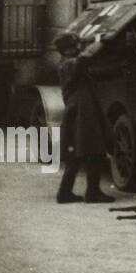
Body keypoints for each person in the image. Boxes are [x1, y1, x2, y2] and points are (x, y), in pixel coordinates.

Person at [54, 32, 117, 204]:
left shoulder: (69, 65)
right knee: (95, 152)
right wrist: (99, 42)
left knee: (76, 157)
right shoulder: (69, 65)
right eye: (74, 46)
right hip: (81, 116)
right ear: (66, 50)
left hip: (80, 114)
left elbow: (92, 72)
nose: (78, 48)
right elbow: (83, 59)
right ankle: (92, 193)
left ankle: (65, 193)